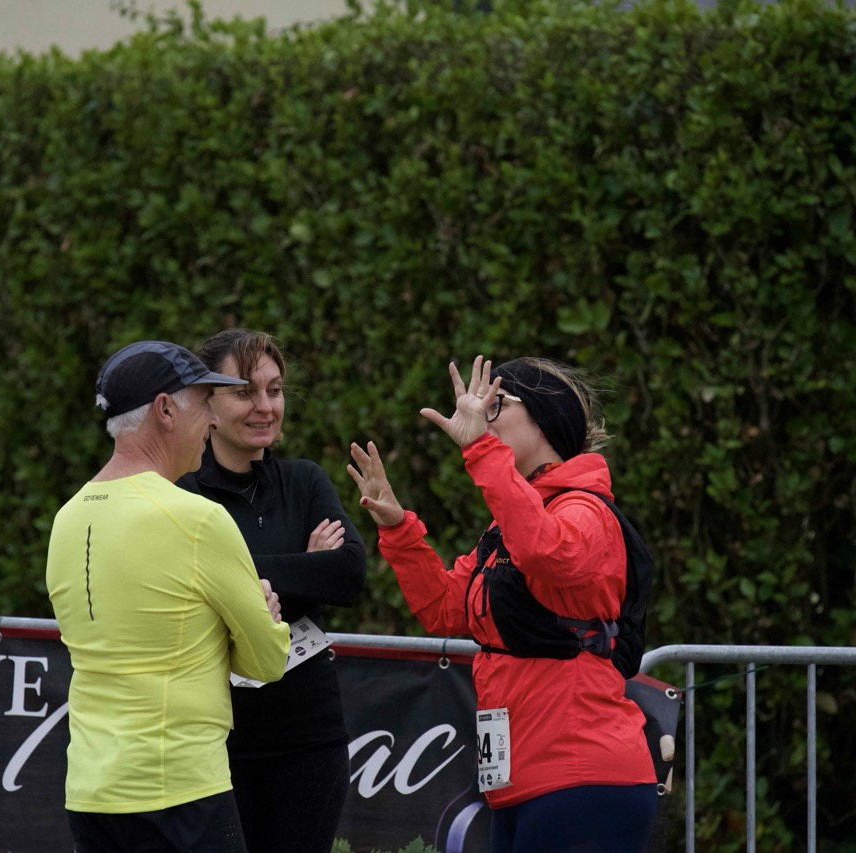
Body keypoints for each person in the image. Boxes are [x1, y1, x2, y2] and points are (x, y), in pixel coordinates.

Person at [346, 354, 657, 853]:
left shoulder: (585, 510)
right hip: (520, 784)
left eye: (495, 404)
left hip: (583, 777)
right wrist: (398, 528)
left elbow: (545, 551)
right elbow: (445, 608)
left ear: (545, 418)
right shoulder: (512, 521)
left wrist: (480, 450)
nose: (478, 414)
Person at [45, 340, 292, 853]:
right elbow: (267, 661)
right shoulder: (197, 519)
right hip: (181, 791)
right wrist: (260, 622)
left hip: (90, 793)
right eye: (203, 404)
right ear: (164, 410)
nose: (212, 421)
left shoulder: (67, 517)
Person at [178, 329, 367, 853]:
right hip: (215, 740)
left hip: (309, 738)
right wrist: (304, 568)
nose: (265, 406)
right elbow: (187, 591)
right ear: (207, 405)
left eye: (275, 390)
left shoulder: (305, 481)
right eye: (245, 392)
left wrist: (232, 580)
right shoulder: (182, 494)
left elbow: (347, 574)